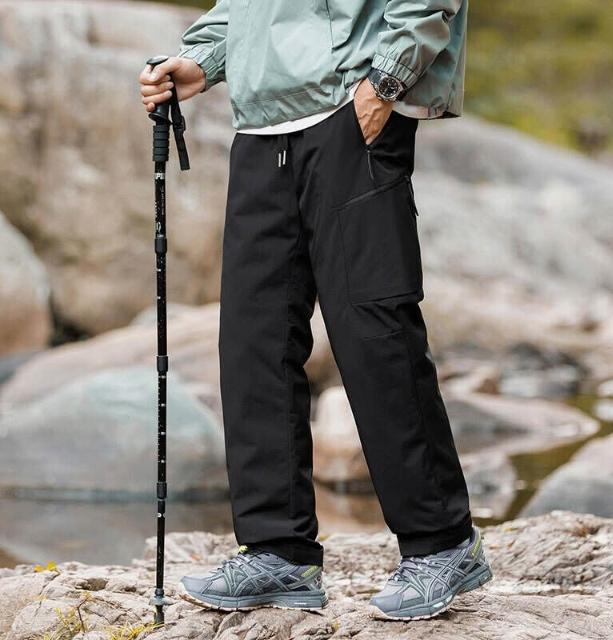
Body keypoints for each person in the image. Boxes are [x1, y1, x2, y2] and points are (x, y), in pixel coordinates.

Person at [139, 0, 492, 620]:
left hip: (349, 112)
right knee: (254, 340)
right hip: (261, 128)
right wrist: (200, 59)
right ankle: (278, 551)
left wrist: (385, 83)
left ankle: (442, 544)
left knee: (374, 334)